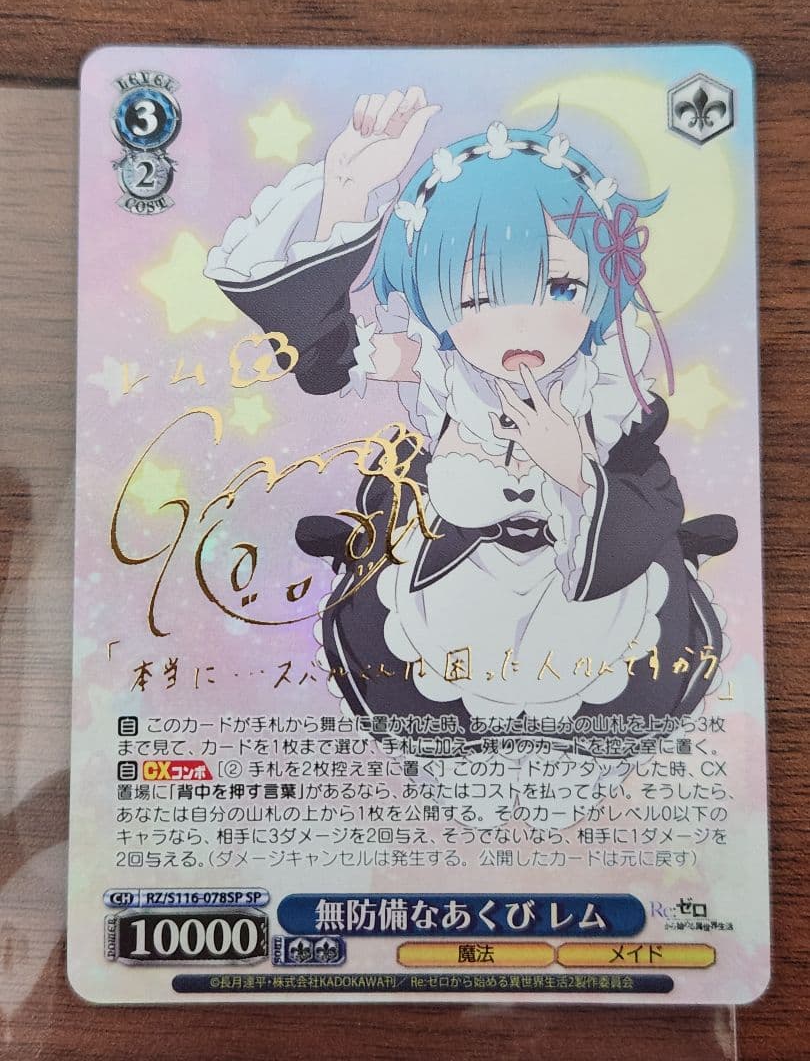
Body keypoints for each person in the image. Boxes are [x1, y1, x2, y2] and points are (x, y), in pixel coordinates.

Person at [205, 87, 736, 758]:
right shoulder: (443, 365)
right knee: (416, 677)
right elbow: (323, 357)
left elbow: (646, 488)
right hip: (453, 580)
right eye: (478, 295)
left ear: (601, 286)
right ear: (434, 300)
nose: (521, 326)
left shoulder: (605, 387)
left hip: (589, 581)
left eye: (560, 288)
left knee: (621, 674)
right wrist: (346, 193)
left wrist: (572, 469)